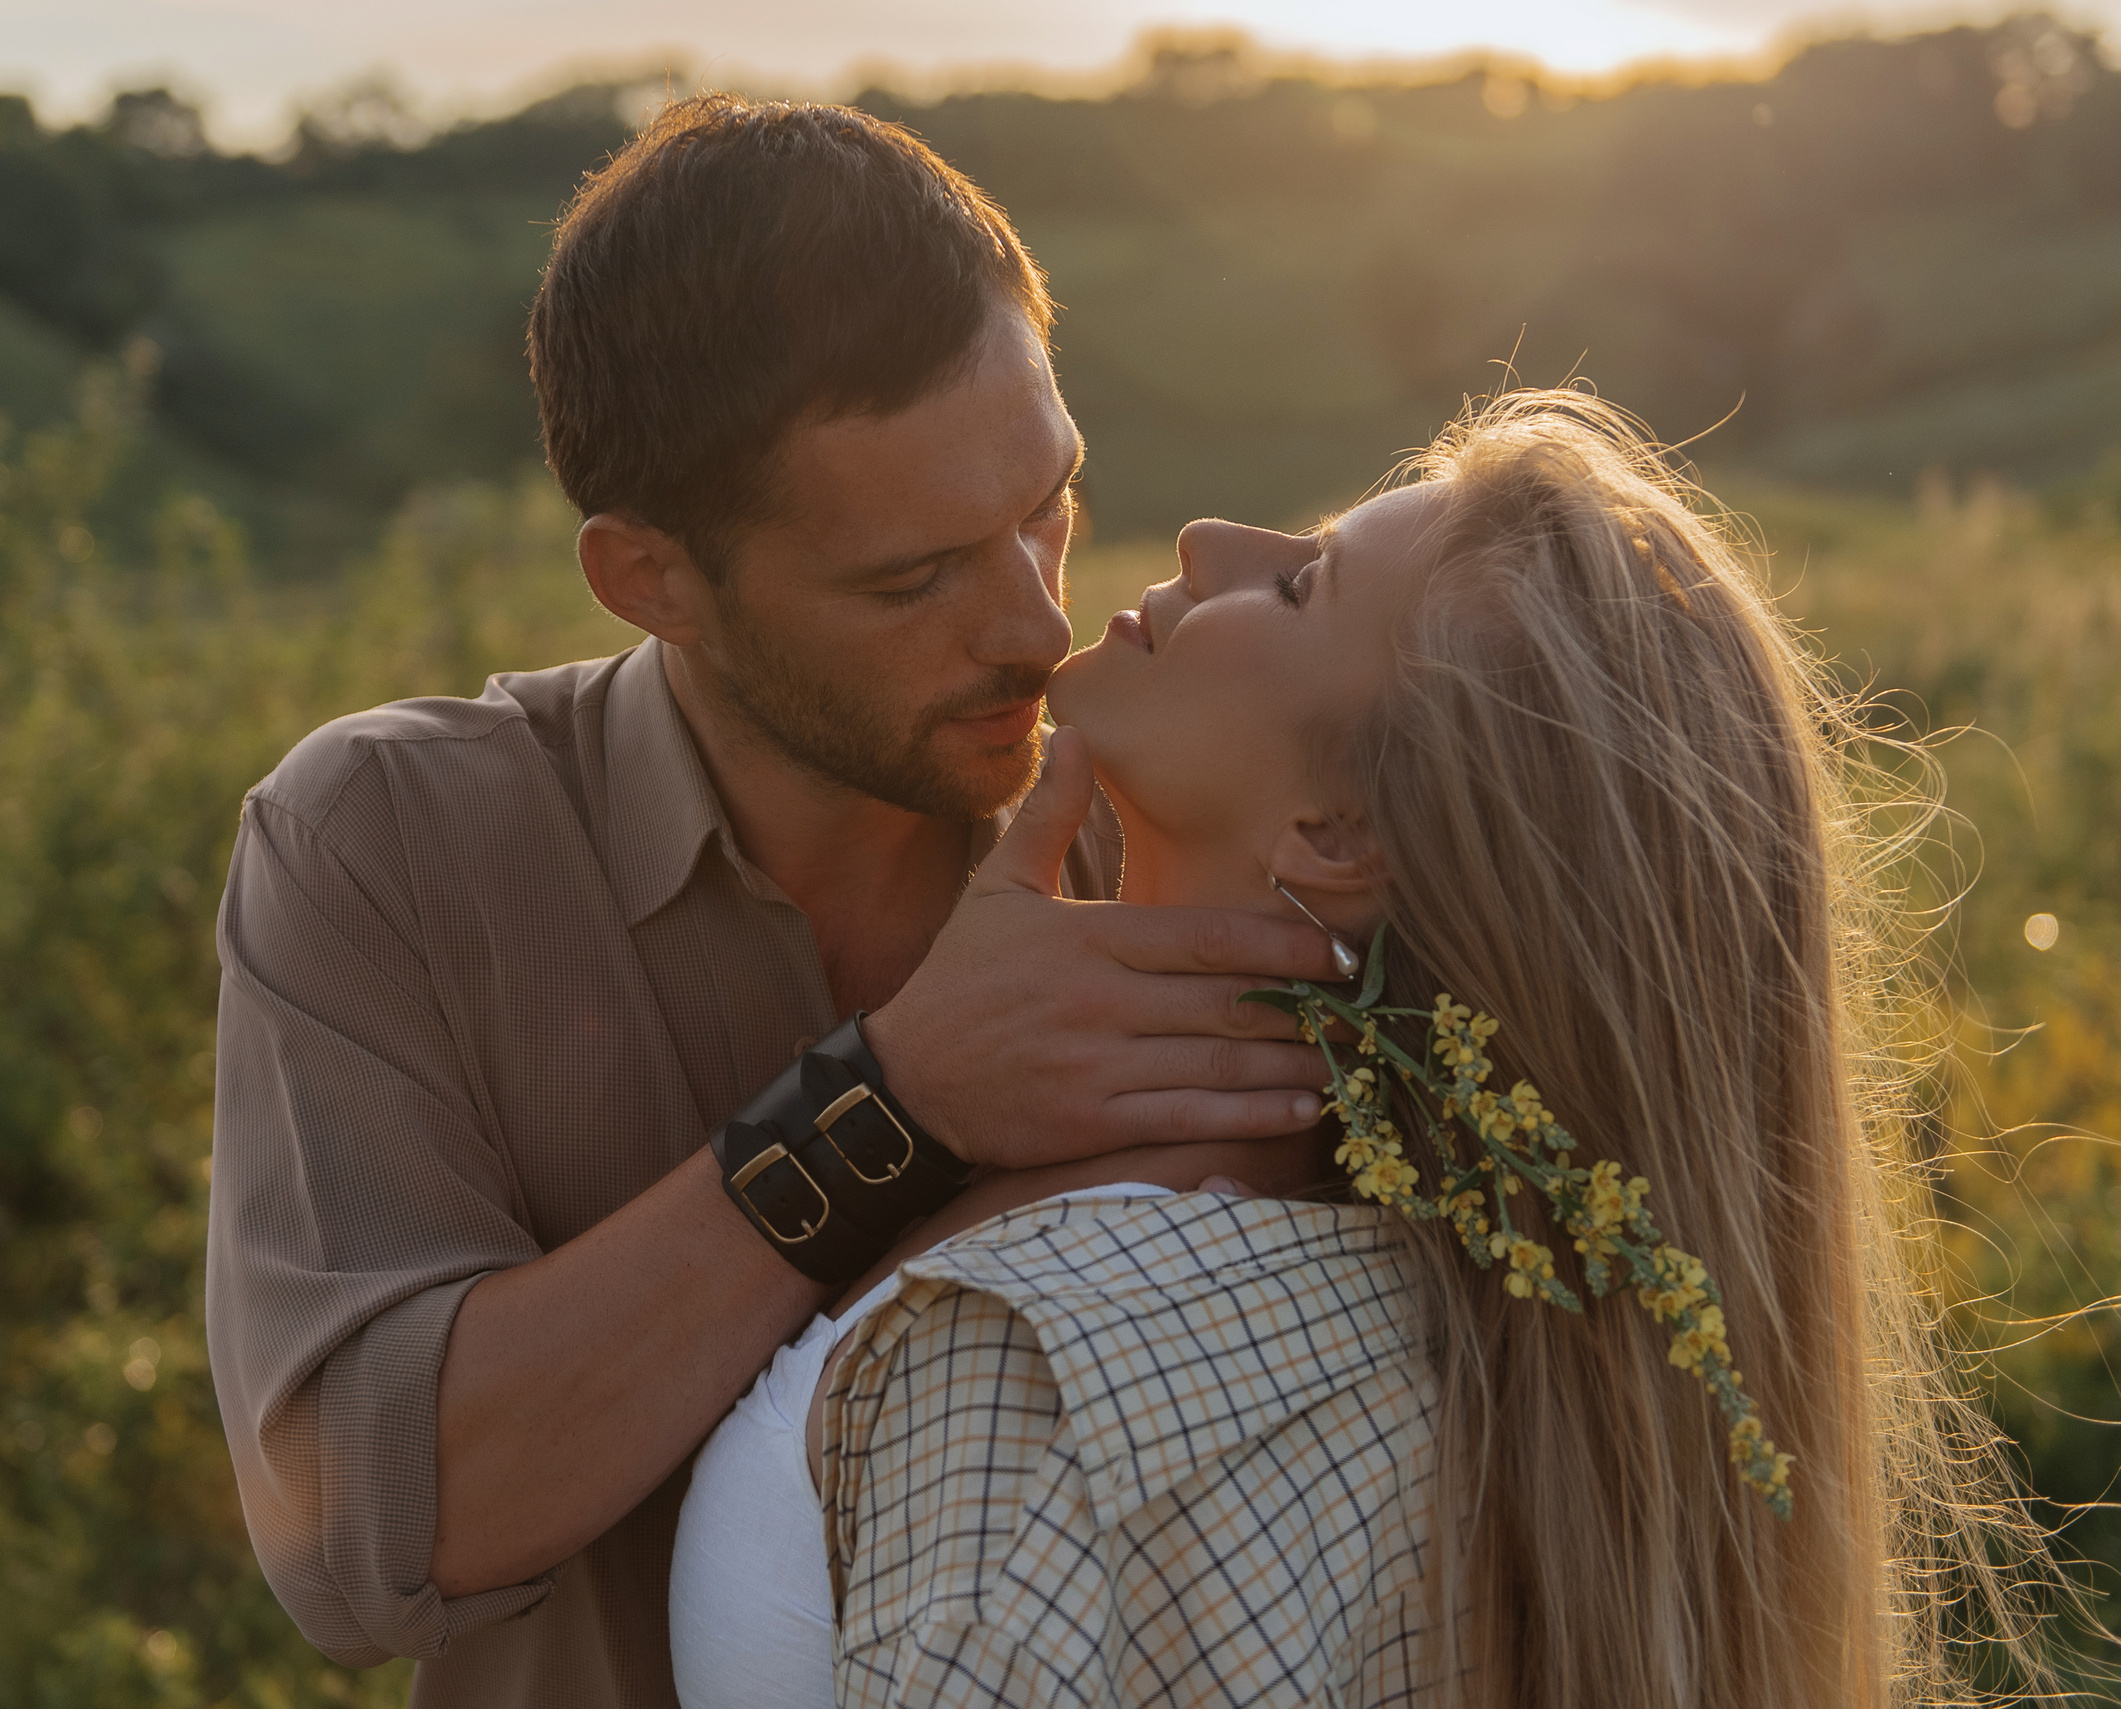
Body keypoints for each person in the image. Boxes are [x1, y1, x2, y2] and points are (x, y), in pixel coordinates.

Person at [204, 97, 1343, 1709]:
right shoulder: (382, 843)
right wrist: (896, 1097)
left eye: (1048, 507)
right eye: (913, 578)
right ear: (647, 579)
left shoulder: (1175, 828)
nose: (1036, 626)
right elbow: (367, 1534)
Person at [670, 392, 2056, 1708]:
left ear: (1338, 839)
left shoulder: (1058, 1370)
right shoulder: (1434, 1312)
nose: (1213, 540)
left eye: (1302, 585)